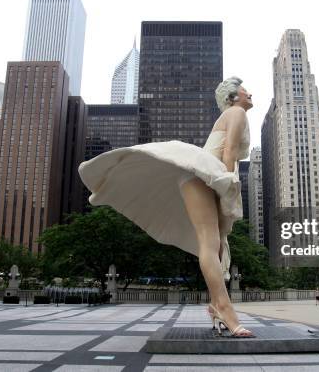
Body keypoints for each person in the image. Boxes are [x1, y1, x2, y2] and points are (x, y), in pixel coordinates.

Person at [79, 77, 254, 338]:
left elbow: (227, 153)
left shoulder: (234, 113)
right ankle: (225, 309)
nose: (249, 93)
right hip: (205, 175)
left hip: (201, 176)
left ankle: (218, 307)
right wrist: (227, 189)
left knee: (213, 245)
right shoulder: (236, 112)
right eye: (244, 90)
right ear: (232, 97)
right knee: (209, 243)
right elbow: (228, 152)